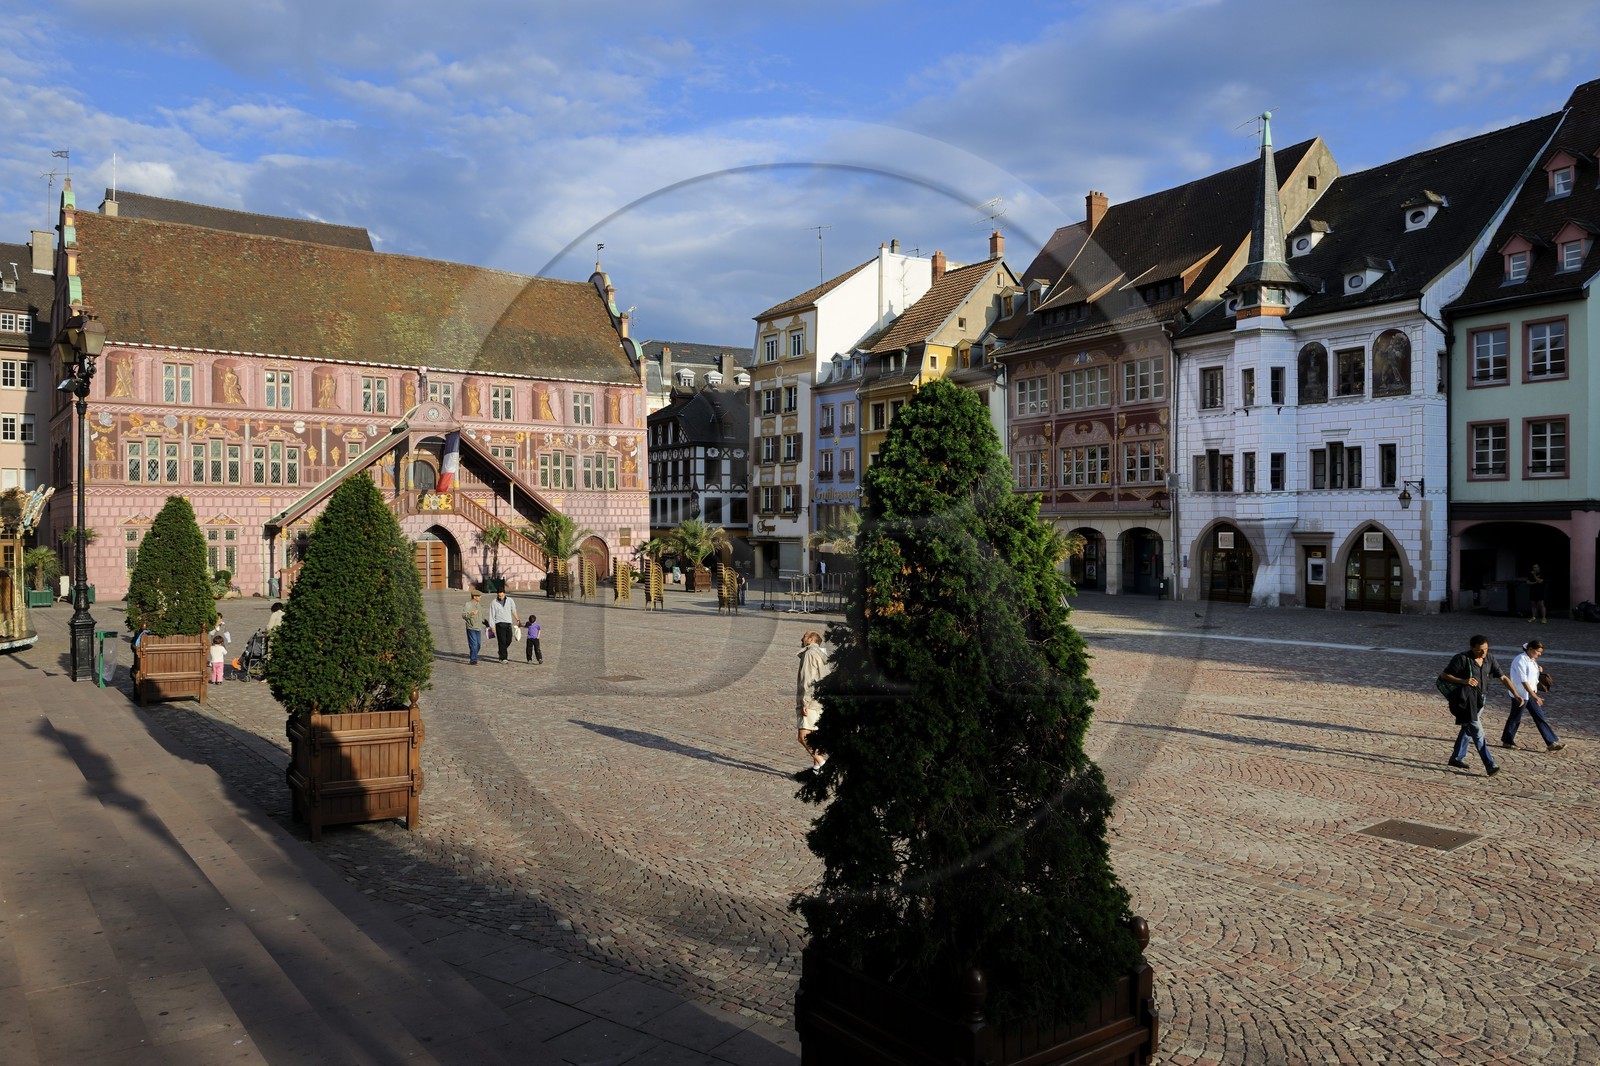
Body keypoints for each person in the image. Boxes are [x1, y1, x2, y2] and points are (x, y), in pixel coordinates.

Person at [1439, 634, 1517, 776]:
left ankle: (1456, 758)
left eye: (1486, 649)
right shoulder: (1461, 659)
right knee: (1477, 732)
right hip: (1467, 701)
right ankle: (1490, 764)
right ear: (1472, 648)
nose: (1483, 653)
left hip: (1481, 700)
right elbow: (1444, 676)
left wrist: (1515, 694)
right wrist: (1464, 681)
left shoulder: (1489, 659)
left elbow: (1503, 677)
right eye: (1480, 650)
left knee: (1468, 728)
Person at [1502, 639, 1564, 752]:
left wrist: (1539, 671)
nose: (1539, 654)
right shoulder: (1520, 659)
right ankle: (1507, 741)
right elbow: (1523, 680)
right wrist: (1534, 696)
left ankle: (1551, 742)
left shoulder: (1532, 660)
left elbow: (1532, 676)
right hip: (1520, 695)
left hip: (1530, 694)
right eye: (1538, 652)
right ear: (1530, 649)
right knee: (1515, 717)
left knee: (1540, 717)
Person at [796, 630, 832, 773]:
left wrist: (805, 702)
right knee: (813, 736)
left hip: (810, 702)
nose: (802, 638)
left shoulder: (809, 654)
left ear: (811, 639)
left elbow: (807, 679)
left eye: (805, 636)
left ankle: (822, 762)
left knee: (803, 736)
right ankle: (817, 769)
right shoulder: (822, 655)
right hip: (820, 701)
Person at [488, 588, 520, 664]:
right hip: (499, 624)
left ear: (505, 594)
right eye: (499, 596)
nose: (501, 597)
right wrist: (492, 626)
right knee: (501, 641)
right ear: (497, 595)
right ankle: (503, 658)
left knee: (509, 640)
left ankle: (501, 651)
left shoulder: (510, 600)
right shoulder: (494, 602)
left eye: (502, 596)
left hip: (508, 623)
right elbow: (491, 615)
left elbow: (514, 610)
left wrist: (517, 619)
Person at [462, 590, 484, 665]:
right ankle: (473, 660)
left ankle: (473, 654)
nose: (480, 597)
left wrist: (485, 622)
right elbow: (463, 615)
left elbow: (481, 615)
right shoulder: (468, 604)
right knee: (474, 644)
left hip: (478, 627)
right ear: (474, 597)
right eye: (478, 596)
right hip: (471, 627)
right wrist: (470, 614)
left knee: (478, 644)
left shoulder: (478, 604)